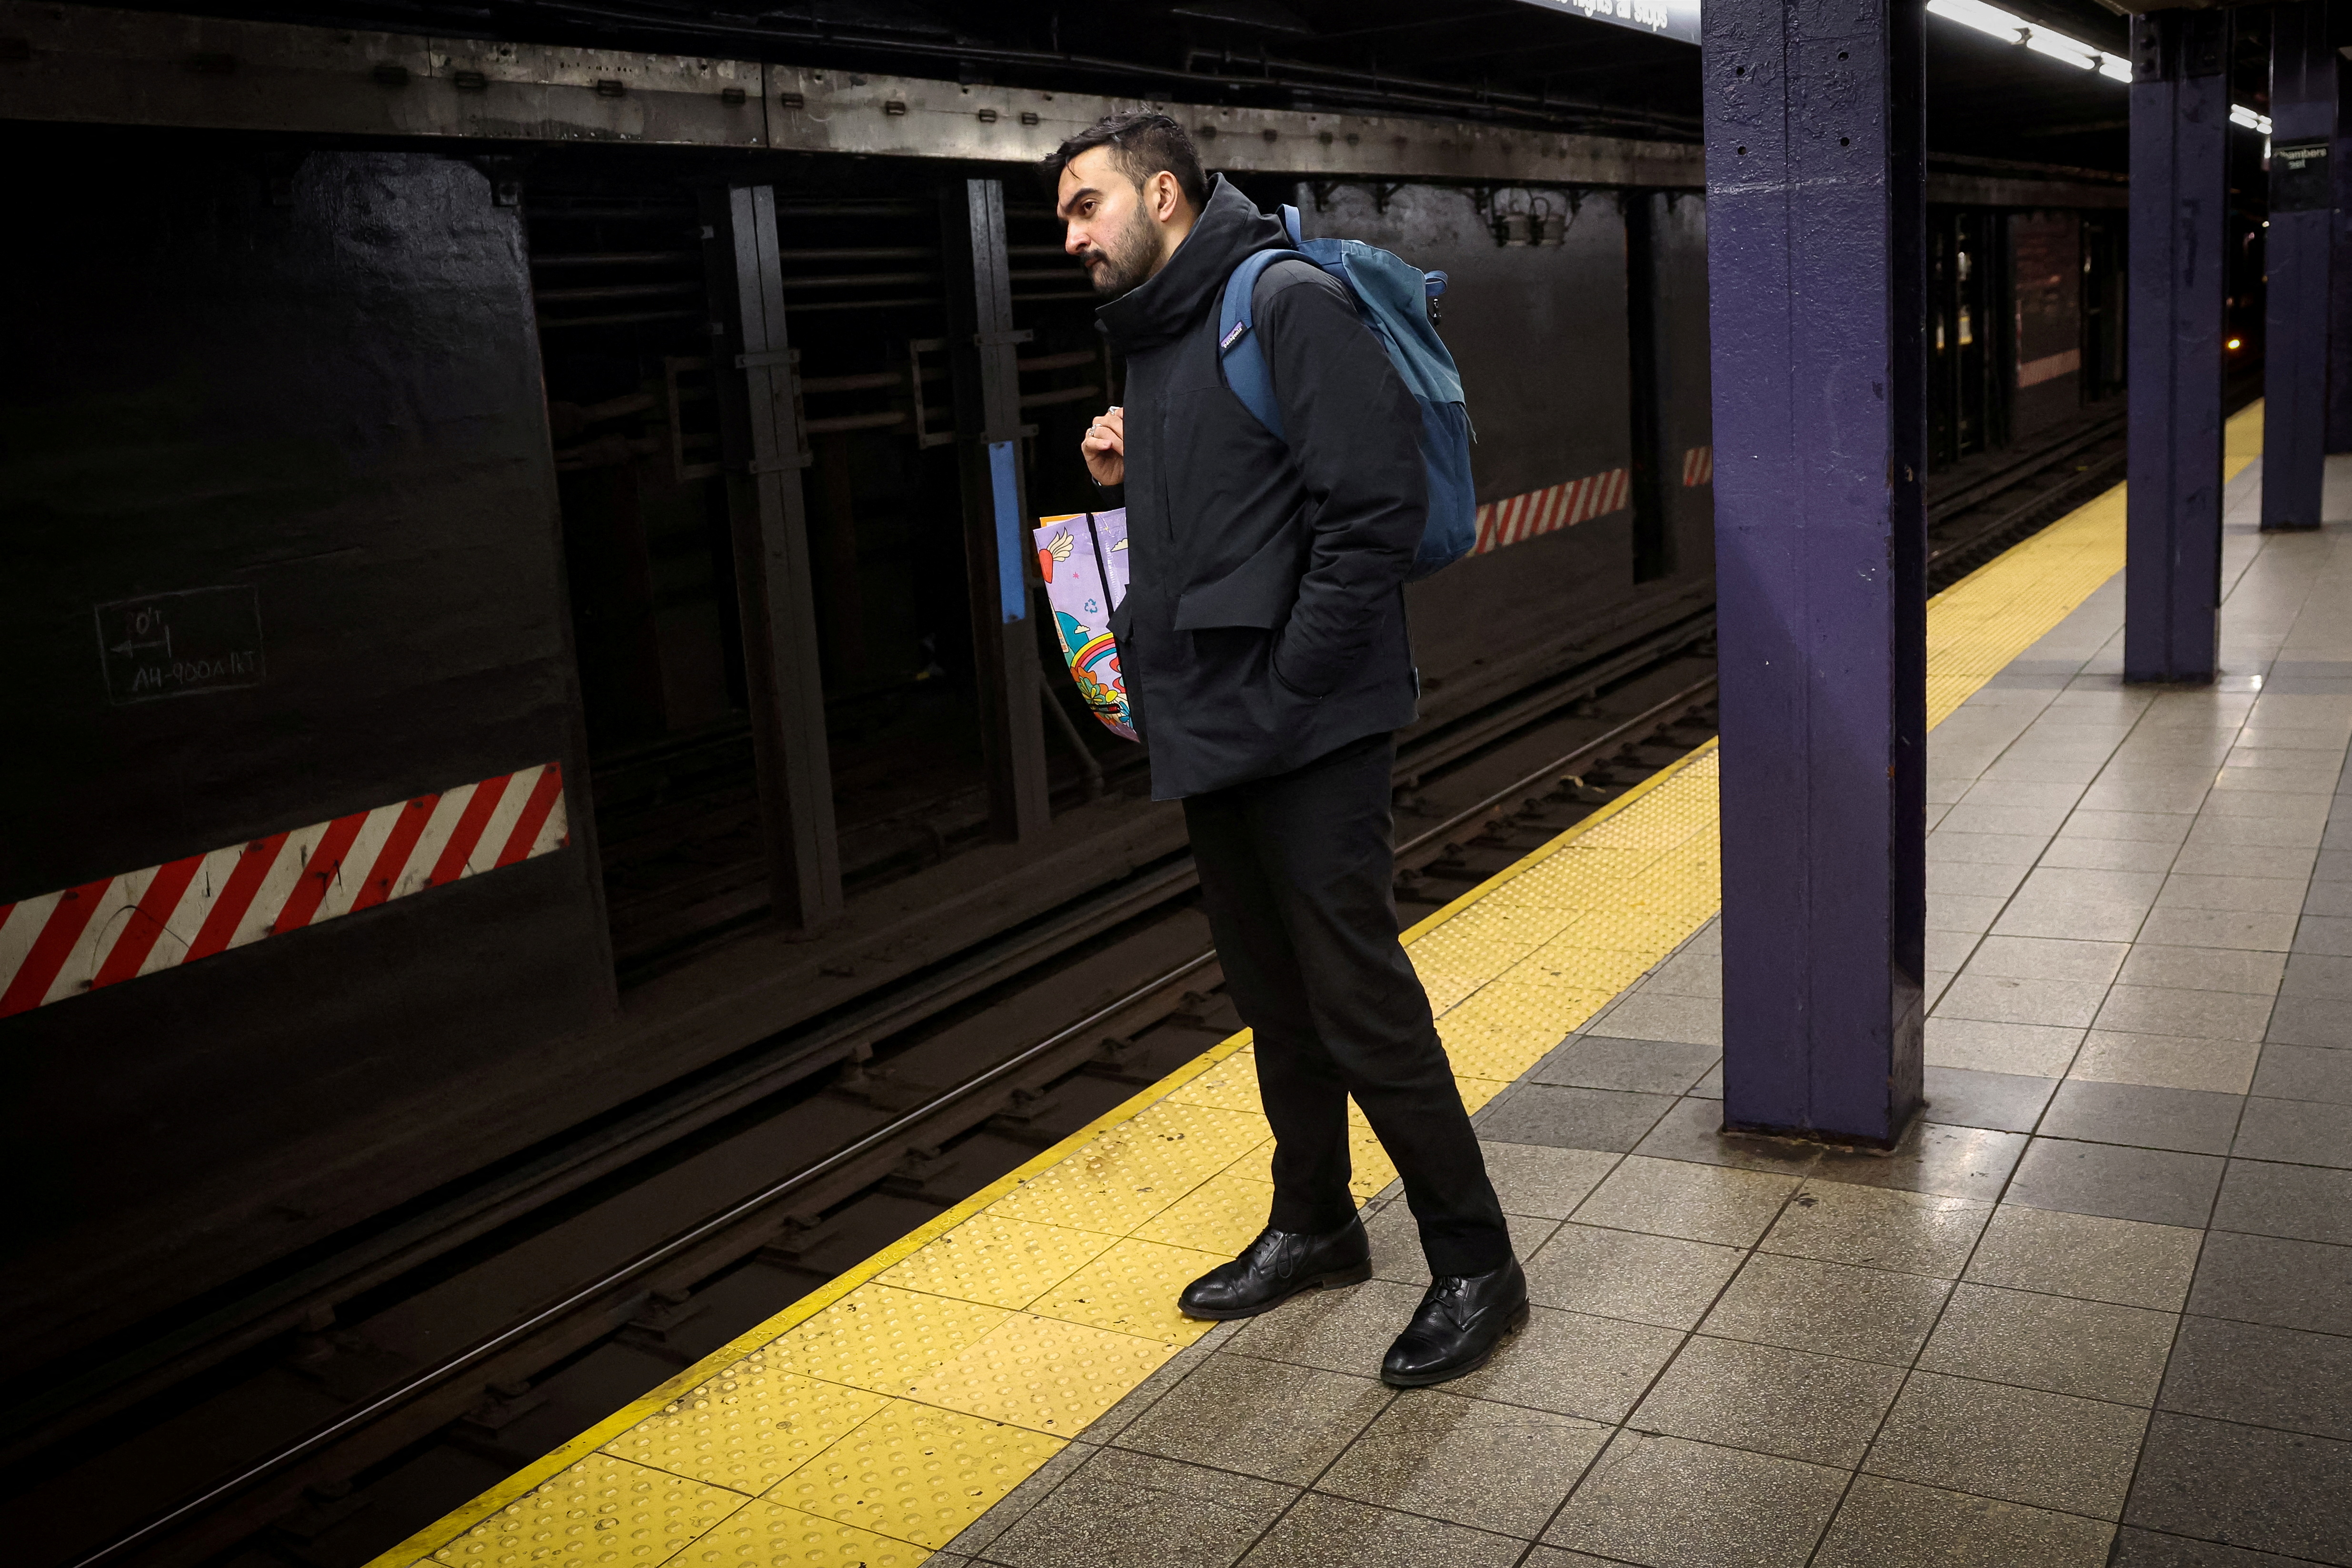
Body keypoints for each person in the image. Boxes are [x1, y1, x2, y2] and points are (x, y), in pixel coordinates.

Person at [1047, 111, 1524, 1389]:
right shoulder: (1158, 332)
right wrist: (1125, 470)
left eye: (1084, 208)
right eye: (1063, 222)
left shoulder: (1282, 299)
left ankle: (1476, 1263)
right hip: (1213, 717)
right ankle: (1314, 1222)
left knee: (1359, 1000)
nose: (1072, 239)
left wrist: (1302, 676)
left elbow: (1369, 506)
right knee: (1272, 1000)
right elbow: (1237, 500)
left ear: (1161, 191)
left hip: (1305, 722)